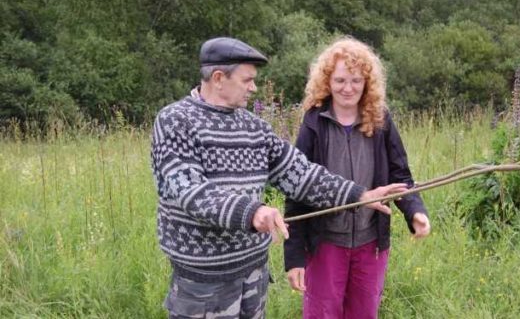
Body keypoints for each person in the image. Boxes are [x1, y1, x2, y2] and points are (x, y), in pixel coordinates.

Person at [150, 37, 408, 319]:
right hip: (203, 282)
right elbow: (190, 190)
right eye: (247, 80)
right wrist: (252, 212)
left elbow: (301, 174)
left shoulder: (254, 128)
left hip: (253, 273)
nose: (254, 87)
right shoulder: (175, 121)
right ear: (219, 78)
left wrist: (359, 195)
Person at [284, 37, 431, 319]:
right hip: (325, 243)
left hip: (370, 243)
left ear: (367, 82)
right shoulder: (314, 123)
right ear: (327, 81)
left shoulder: (380, 120)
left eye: (355, 80)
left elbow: (401, 175)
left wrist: (415, 212)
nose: (347, 88)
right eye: (339, 80)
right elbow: (296, 188)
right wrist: (294, 257)